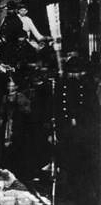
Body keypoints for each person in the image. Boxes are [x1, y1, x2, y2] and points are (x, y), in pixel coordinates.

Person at [55, 56, 101, 204]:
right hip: (67, 131)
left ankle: (85, 195)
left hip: (84, 132)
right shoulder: (61, 85)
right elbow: (58, 108)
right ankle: (70, 194)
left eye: (77, 73)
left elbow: (93, 110)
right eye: (71, 73)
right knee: (67, 164)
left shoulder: (87, 86)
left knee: (84, 165)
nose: (74, 75)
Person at [0, 78, 31, 178]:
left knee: (17, 145)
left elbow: (28, 110)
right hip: (7, 124)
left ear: (16, 87)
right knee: (6, 146)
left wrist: (20, 113)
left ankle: (17, 170)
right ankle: (7, 168)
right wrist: (1, 121)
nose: (10, 88)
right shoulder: (5, 97)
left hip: (18, 125)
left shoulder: (21, 97)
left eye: (12, 86)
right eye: (8, 86)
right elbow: (2, 111)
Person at [0, 1, 23, 65]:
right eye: (8, 10)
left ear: (14, 9)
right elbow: (2, 29)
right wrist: (1, 36)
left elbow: (16, 35)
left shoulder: (17, 21)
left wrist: (6, 39)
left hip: (12, 47)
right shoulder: (7, 19)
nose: (8, 11)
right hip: (4, 46)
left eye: (10, 10)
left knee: (11, 63)